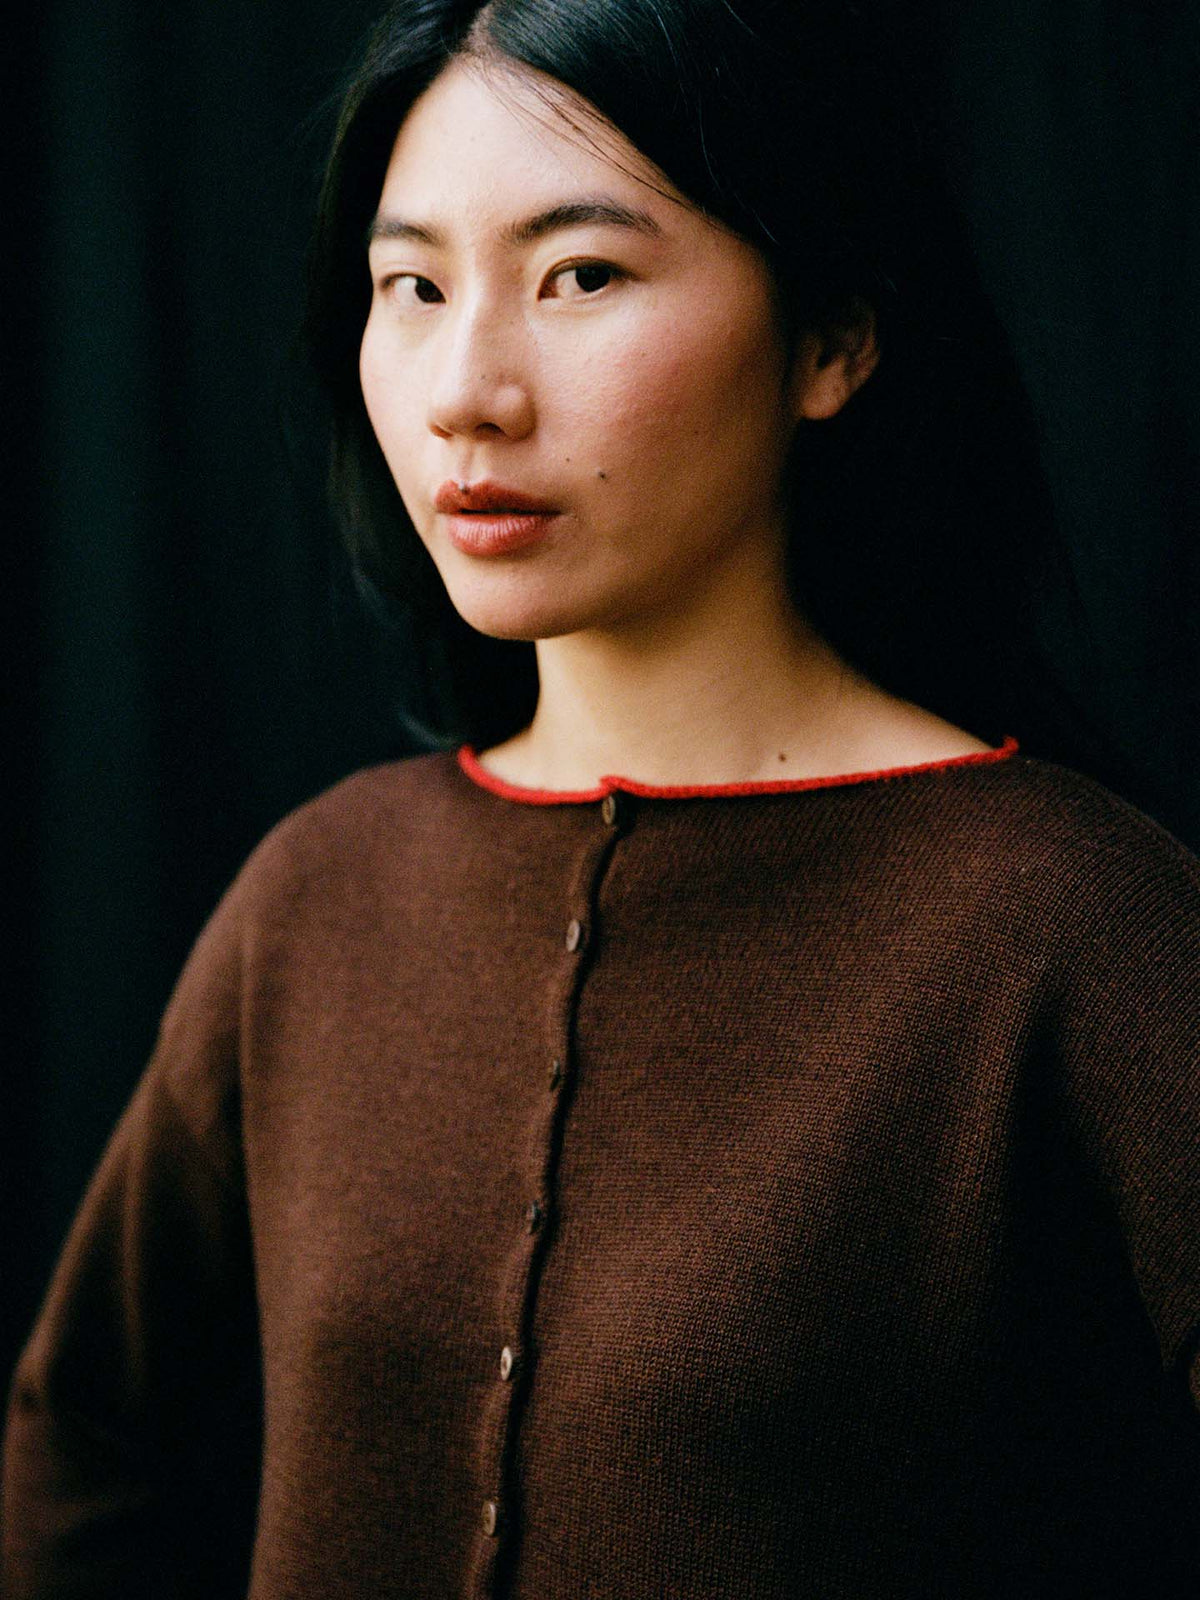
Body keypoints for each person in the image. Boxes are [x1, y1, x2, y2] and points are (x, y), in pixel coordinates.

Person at [4, 2, 1198, 1596]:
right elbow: (87, 1435)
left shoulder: (1075, 919)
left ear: (834, 337)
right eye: (412, 287)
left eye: (582, 275)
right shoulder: (322, 895)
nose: (466, 393)